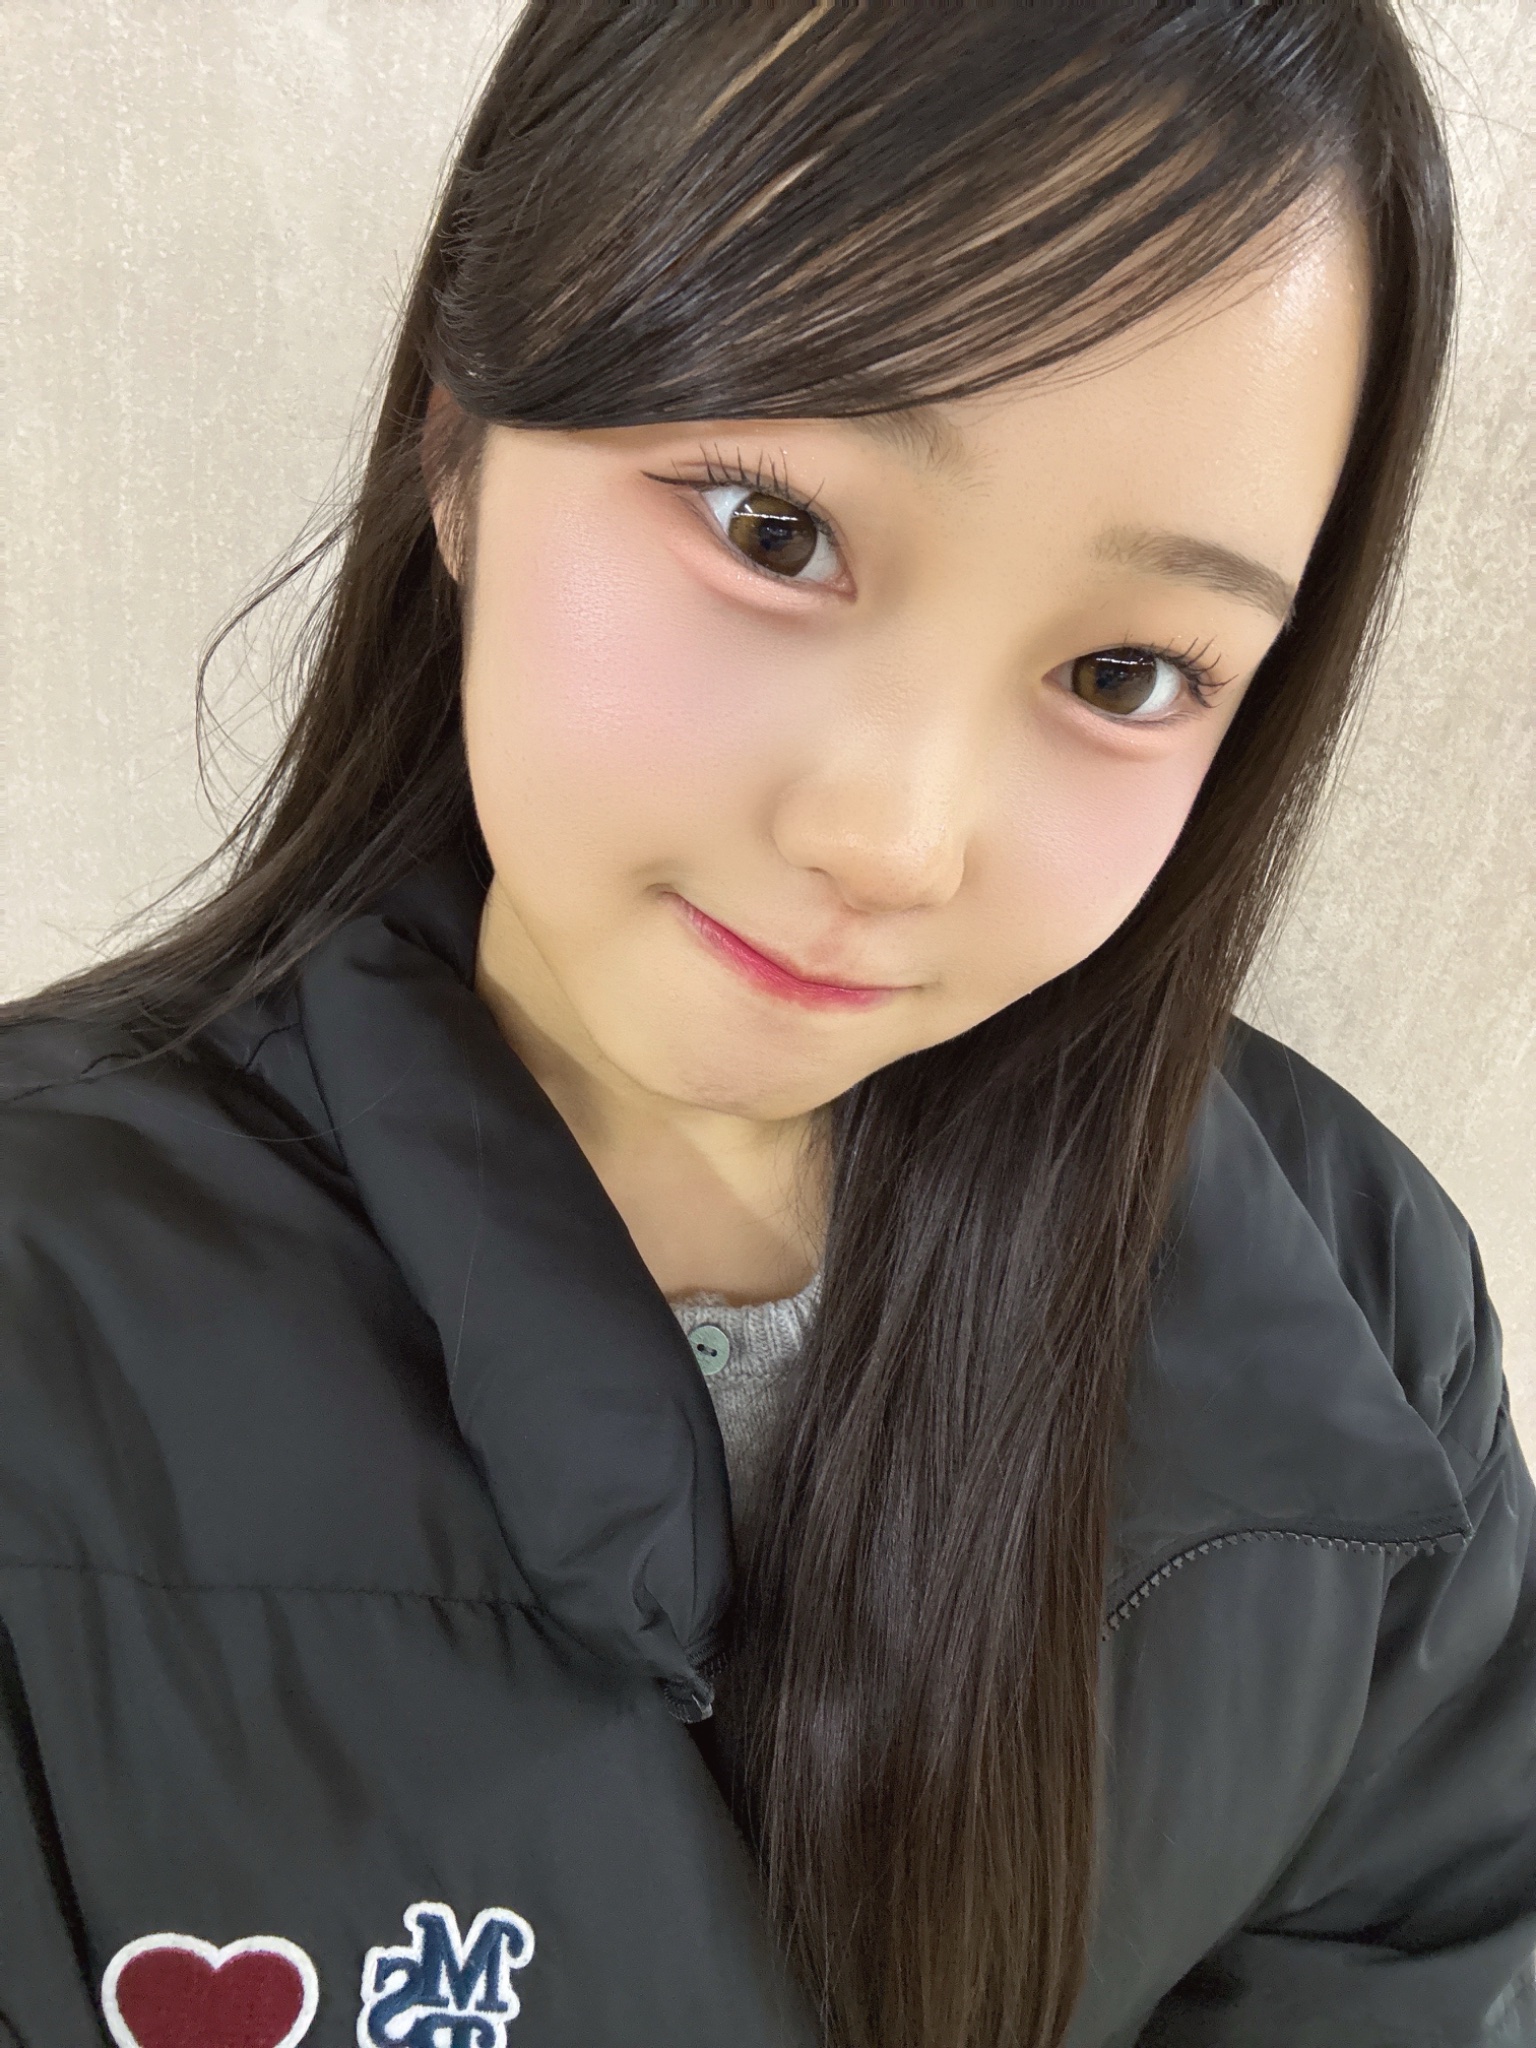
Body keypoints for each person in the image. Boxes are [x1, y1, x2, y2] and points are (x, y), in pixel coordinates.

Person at [2, 4, 1532, 2045]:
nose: (892, 838)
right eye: (773, 530)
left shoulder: (1359, 1294)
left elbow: (1434, 1950)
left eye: (1125, 671)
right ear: (457, 444)